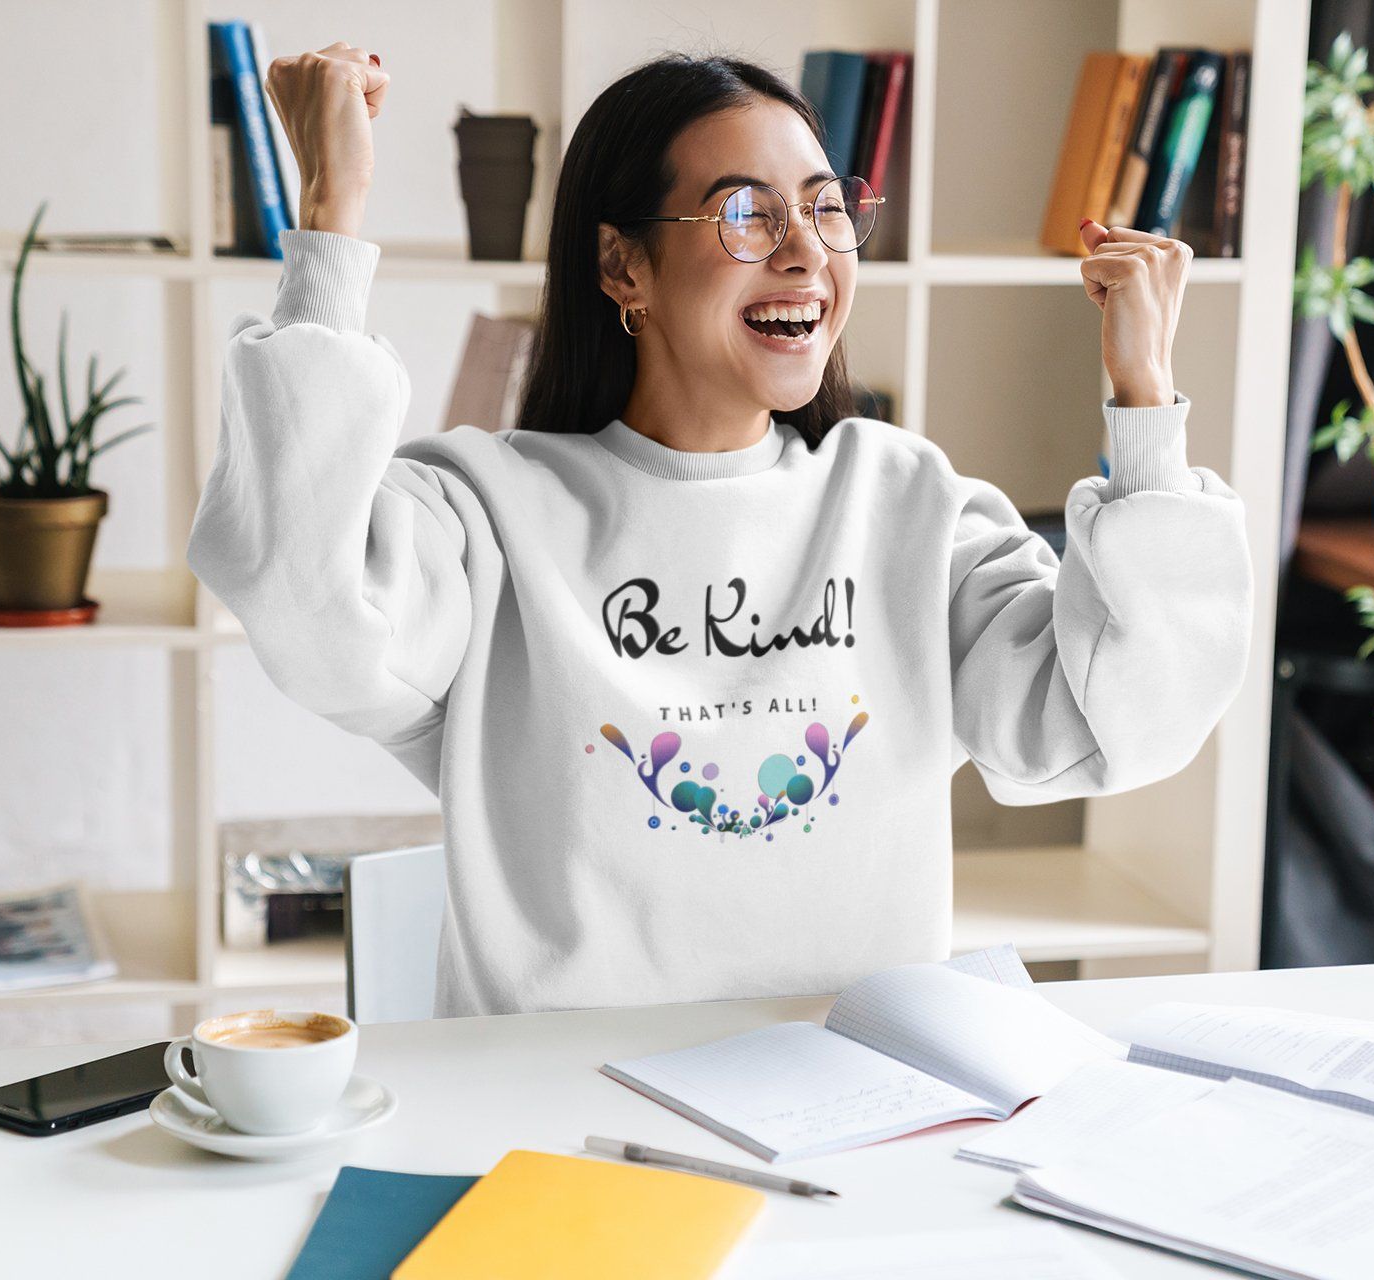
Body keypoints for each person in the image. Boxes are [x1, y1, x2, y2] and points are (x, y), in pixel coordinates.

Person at [188, 43, 1253, 1018]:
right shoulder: (489, 511)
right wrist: (332, 216)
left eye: (826, 207)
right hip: (563, 1126)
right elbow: (301, 592)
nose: (803, 252)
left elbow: (1114, 722)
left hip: (850, 1116)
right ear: (621, 267)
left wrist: (1147, 405)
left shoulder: (904, 503)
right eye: (745, 213)